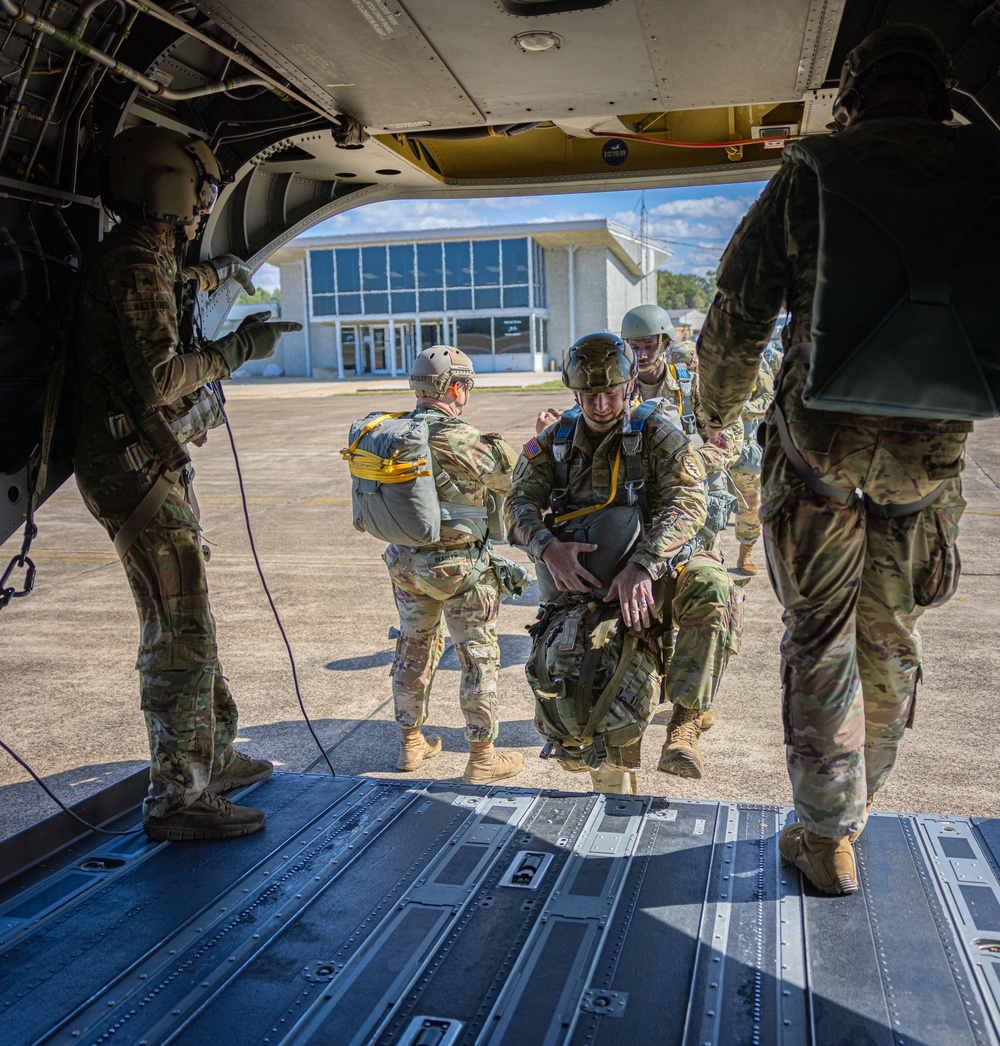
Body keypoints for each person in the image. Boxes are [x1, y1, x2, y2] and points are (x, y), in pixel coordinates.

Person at [697, 24, 972, 895]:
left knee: (822, 644)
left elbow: (738, 315)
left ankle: (824, 836)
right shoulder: (987, 174)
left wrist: (713, 412)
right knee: (890, 644)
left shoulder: (813, 172)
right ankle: (852, 823)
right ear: (938, 91)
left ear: (850, 97)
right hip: (926, 463)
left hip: (821, 457)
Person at [73, 126, 301, 841]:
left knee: (189, 622)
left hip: (140, 466)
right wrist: (240, 349)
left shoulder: (144, 258)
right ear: (167, 189)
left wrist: (215, 273)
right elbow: (161, 382)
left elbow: (168, 283)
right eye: (200, 192)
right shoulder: (133, 263)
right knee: (179, 636)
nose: (205, 206)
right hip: (135, 469)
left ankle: (213, 757)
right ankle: (180, 798)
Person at [507, 332, 747, 791]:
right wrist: (546, 546)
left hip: (656, 569)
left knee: (716, 589)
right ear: (574, 393)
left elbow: (689, 501)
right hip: (585, 579)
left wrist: (645, 562)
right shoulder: (553, 443)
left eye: (611, 392)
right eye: (590, 395)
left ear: (630, 386)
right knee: (586, 675)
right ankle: (603, 776)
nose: (601, 405)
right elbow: (516, 504)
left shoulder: (656, 433)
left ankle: (685, 723)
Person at [384, 346, 524, 785]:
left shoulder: (392, 432)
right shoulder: (464, 438)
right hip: (459, 569)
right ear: (456, 387)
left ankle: (411, 743)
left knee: (414, 646)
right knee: (478, 655)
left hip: (406, 564)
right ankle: (482, 756)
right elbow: (515, 478)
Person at [730, 361, 775, 575]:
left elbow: (769, 399)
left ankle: (745, 551)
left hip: (744, 451)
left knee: (749, 504)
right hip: (713, 444)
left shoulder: (755, 361)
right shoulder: (713, 357)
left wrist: (741, 409)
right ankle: (705, 556)